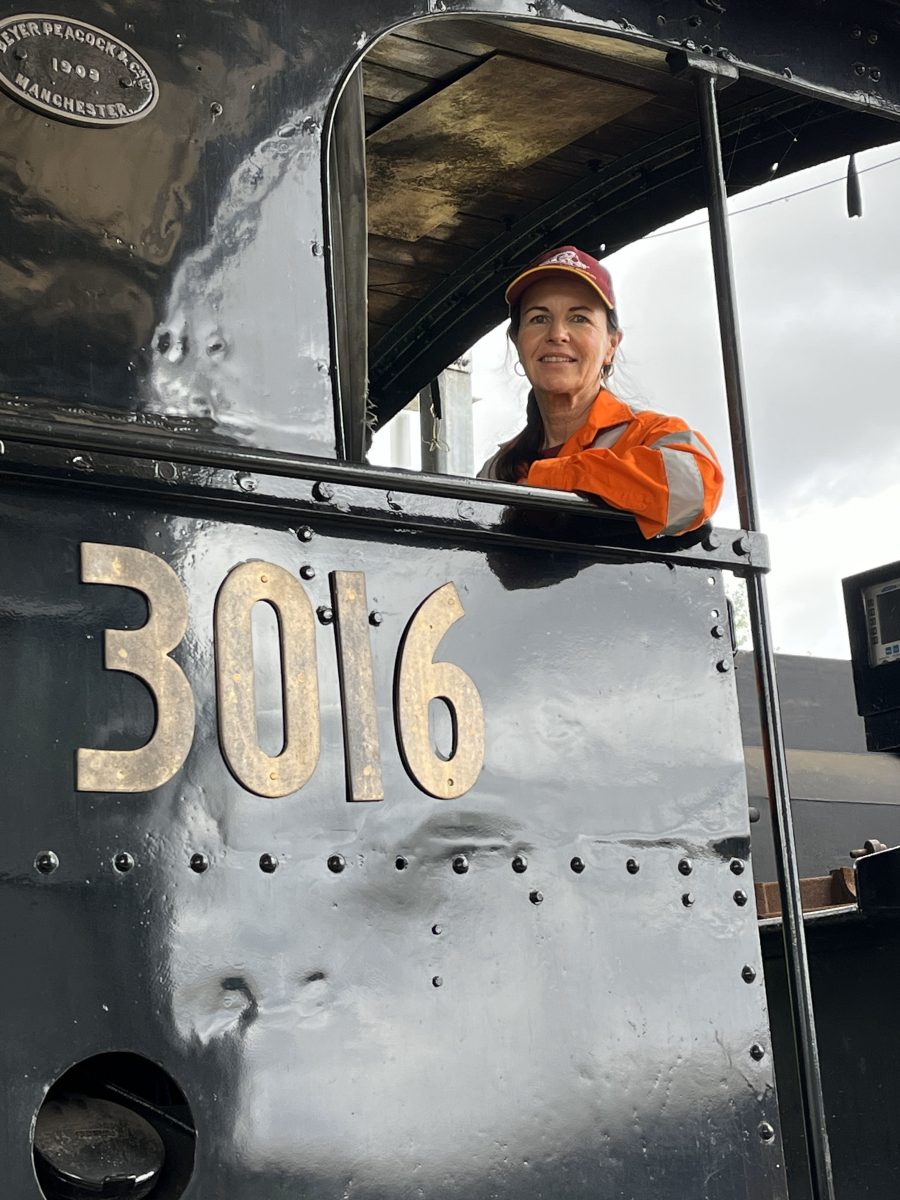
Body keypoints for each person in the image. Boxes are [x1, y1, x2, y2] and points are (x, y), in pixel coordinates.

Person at [478, 246, 723, 538]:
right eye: (539, 318)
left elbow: (695, 490)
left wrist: (553, 477)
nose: (557, 334)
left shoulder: (653, 434)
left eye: (579, 318)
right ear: (518, 343)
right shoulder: (495, 470)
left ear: (611, 345)